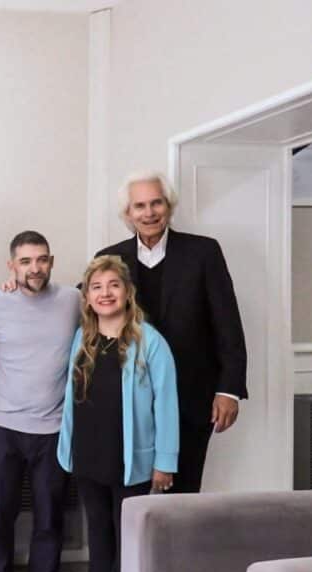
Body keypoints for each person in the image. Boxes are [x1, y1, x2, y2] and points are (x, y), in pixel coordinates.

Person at [97, 171, 246, 493]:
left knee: (183, 497)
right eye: (140, 206)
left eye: (157, 203)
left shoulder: (204, 252)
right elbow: (85, 307)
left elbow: (228, 324)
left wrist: (229, 390)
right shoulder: (110, 259)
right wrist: (19, 290)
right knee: (131, 498)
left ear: (169, 206)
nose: (149, 213)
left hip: (191, 398)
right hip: (129, 401)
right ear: (128, 213)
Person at [57, 255, 179, 572]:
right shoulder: (82, 339)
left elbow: (167, 405)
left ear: (128, 292)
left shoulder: (150, 342)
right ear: (87, 297)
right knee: (99, 537)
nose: (105, 293)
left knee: (128, 539)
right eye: (96, 287)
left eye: (113, 285)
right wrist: (67, 449)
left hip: (131, 460)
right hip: (88, 454)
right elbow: (70, 399)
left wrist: (165, 462)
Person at [0, 230, 81, 572]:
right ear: (11, 266)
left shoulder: (72, 300)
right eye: (25, 261)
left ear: (51, 261)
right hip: (2, 425)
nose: (34, 268)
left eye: (41, 260)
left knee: (49, 516)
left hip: (53, 428)